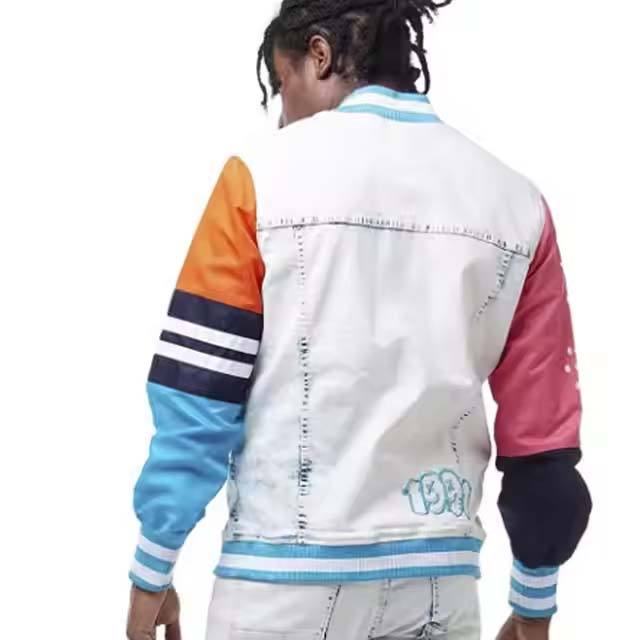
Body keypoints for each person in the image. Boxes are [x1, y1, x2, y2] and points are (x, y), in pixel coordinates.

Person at [125, 1, 592, 639]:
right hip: (441, 583)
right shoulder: (518, 204)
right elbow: (543, 441)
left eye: (282, 83)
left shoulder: (257, 181)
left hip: (280, 581)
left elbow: (199, 397)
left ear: (318, 55)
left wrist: (153, 567)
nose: (282, 112)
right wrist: (534, 603)